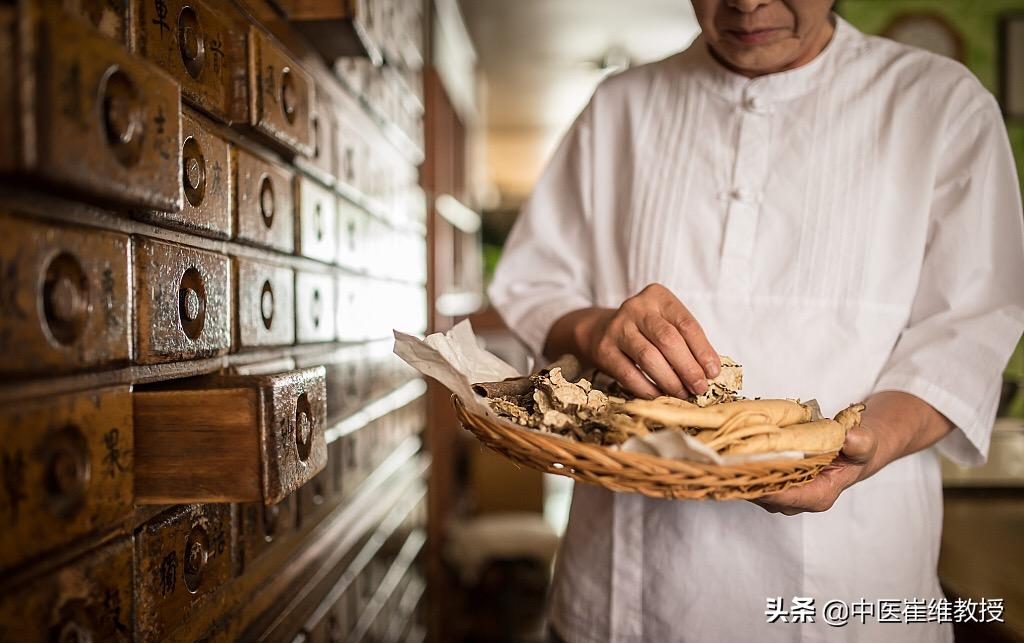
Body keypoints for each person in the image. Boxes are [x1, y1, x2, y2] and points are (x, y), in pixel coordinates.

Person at [487, 0, 1024, 640]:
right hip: (623, 593)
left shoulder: (940, 103)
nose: (746, 3)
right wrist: (593, 328)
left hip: (853, 589)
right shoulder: (619, 106)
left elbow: (967, 332)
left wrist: (865, 446)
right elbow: (533, 283)